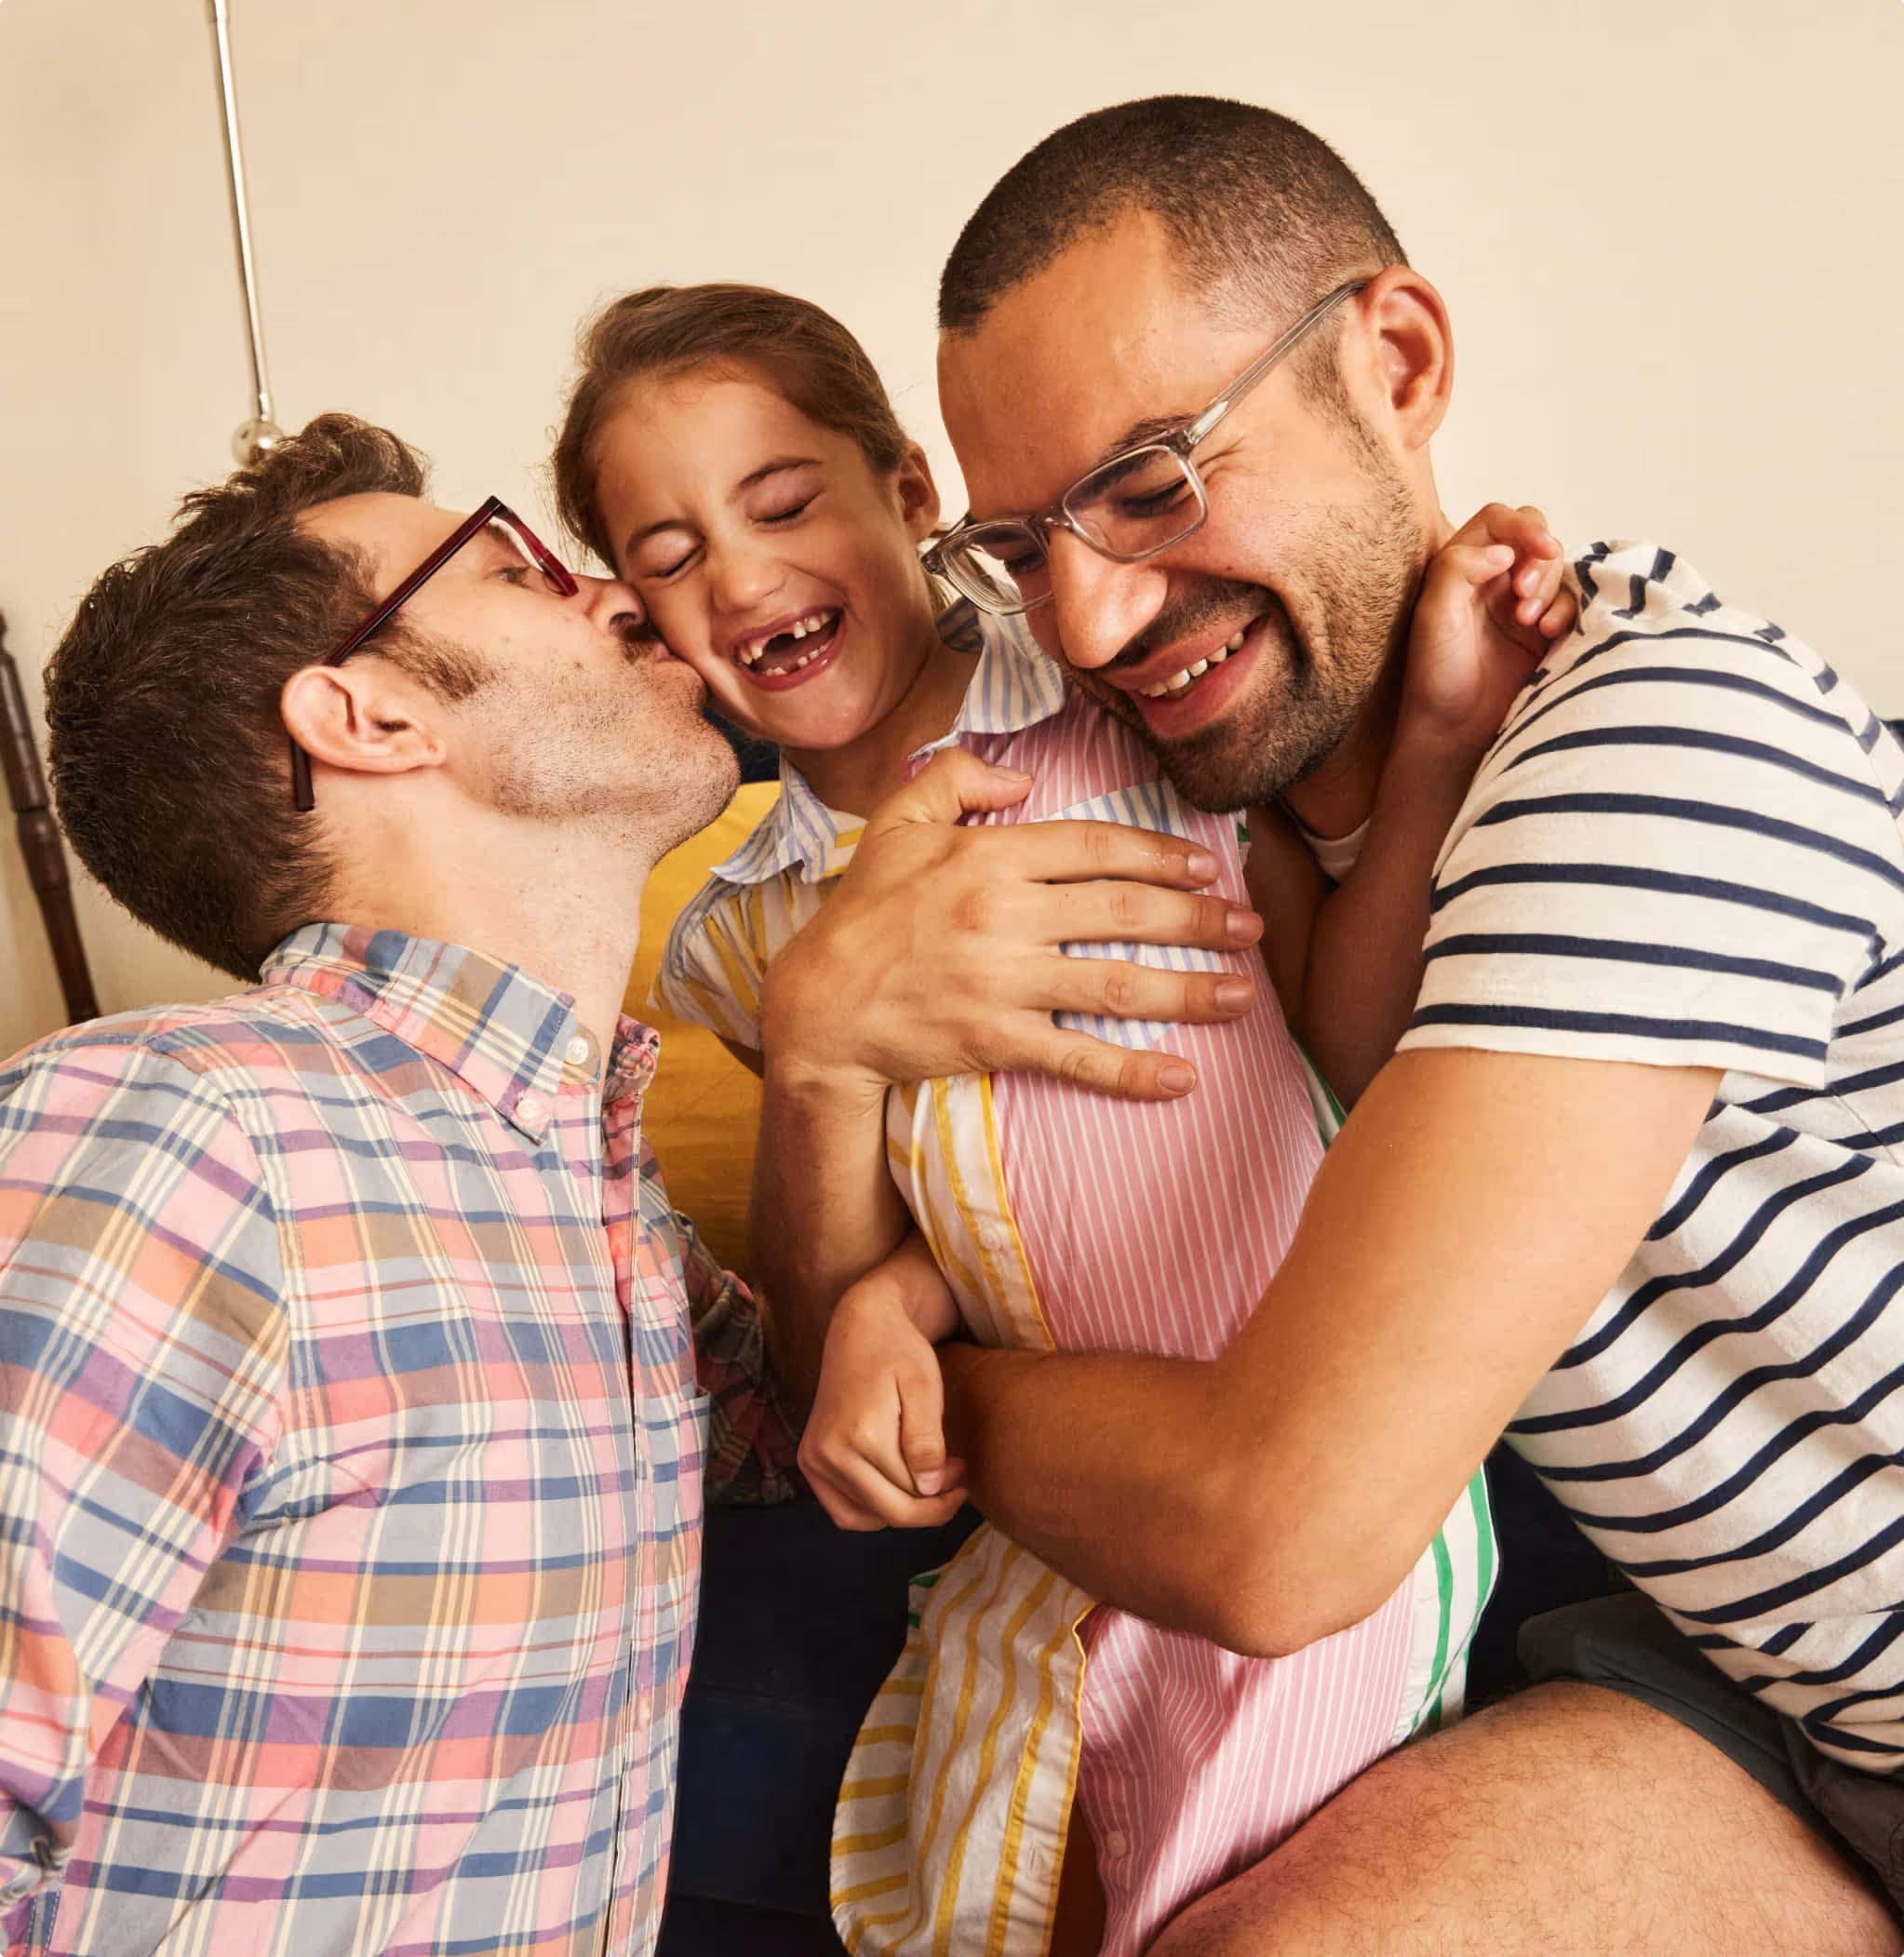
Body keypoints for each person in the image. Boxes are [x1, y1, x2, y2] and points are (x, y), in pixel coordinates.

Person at [753, 97, 1904, 1955]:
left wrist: (924, 1397)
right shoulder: (1155, 806)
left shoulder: (1666, 738)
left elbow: (1274, 1533)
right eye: (1027, 544)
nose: (1100, 611)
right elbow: (1063, 1225)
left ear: (1396, 361)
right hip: (1746, 1694)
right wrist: (821, 1079)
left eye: (1152, 480)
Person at [0, 413, 1250, 1957]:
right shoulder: (175, 1133)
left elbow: (808, 1431)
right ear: (371, 716)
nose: (616, 592)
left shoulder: (590, 1197)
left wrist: (821, 1058)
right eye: (516, 566)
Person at [550, 282, 1575, 1956]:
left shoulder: (1130, 704)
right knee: (1004, 1863)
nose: (736, 579)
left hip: (1306, 1476)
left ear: (906, 494)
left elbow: (1336, 1033)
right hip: (1045, 1514)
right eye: (665, 557)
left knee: (1235, 1878)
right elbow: (917, 1245)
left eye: (783, 502)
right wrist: (884, 1293)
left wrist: (1445, 739)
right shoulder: (735, 932)